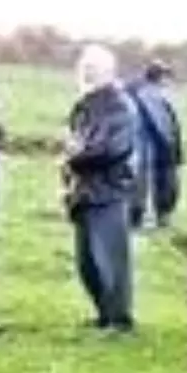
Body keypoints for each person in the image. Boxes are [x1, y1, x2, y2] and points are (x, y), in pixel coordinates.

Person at [62, 44, 137, 333]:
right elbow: (78, 142)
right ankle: (104, 315)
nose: (87, 71)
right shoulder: (85, 104)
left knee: (111, 263)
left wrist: (74, 157)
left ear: (110, 71)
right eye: (84, 66)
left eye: (94, 67)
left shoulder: (119, 105)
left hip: (109, 192)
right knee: (87, 264)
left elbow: (111, 149)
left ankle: (119, 321)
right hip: (84, 192)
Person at [125, 60, 183, 230]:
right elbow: (163, 125)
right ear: (160, 77)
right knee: (152, 179)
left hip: (135, 141)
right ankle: (154, 216)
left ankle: (136, 217)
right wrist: (172, 149)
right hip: (147, 142)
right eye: (166, 76)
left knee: (138, 179)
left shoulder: (133, 89)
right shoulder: (150, 93)